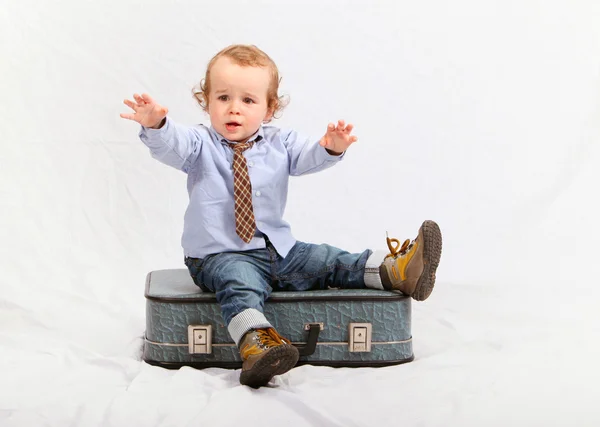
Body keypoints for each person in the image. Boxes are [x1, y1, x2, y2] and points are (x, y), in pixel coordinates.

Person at [120, 44, 442, 388]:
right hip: (218, 256)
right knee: (239, 284)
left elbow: (307, 158)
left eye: (248, 100)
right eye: (223, 97)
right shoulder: (200, 144)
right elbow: (173, 144)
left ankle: (397, 270)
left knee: (328, 260)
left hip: (278, 249)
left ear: (269, 108)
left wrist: (330, 146)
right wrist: (157, 125)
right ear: (207, 101)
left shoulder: (280, 142)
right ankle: (259, 344)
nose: (234, 109)